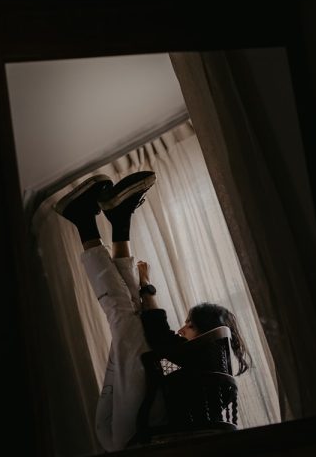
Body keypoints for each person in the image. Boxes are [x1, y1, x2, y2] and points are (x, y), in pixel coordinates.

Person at [54, 170, 249, 452]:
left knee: (126, 316)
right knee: (130, 316)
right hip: (135, 424)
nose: (182, 330)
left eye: (189, 325)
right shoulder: (210, 368)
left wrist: (147, 287)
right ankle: (117, 221)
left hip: (136, 430)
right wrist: (145, 289)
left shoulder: (203, 360)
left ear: (206, 332)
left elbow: (160, 334)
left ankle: (88, 220)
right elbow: (159, 333)